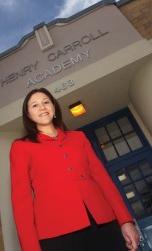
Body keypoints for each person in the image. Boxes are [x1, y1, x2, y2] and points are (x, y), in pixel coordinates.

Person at [10, 88, 140, 251]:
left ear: (54, 108)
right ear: (28, 115)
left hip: (104, 224)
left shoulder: (78, 137)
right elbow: (21, 202)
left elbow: (104, 180)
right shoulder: (20, 147)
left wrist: (125, 221)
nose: (42, 107)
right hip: (58, 235)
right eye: (35, 105)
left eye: (46, 102)